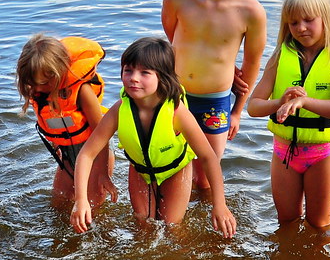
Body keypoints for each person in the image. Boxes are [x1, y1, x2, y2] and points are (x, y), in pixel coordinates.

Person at [71, 37, 237, 237]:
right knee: (143, 227)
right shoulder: (120, 110)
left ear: (162, 77)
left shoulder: (177, 112)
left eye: (145, 73)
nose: (133, 78)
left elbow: (208, 157)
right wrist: (81, 200)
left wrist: (220, 205)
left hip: (175, 170)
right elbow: (86, 154)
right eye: (128, 70)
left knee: (172, 229)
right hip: (141, 171)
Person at [161, 0, 267, 189]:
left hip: (216, 101)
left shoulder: (251, 12)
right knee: (169, 169)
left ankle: (209, 227)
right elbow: (173, 39)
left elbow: (251, 66)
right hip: (177, 95)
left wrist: (237, 112)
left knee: (207, 179)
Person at [247, 0, 330, 229]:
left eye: (308, 20)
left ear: (325, 18)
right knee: (286, 221)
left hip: (321, 154)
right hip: (284, 153)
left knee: (319, 224)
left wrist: (304, 101)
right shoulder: (279, 57)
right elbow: (254, 107)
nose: (301, 28)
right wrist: (279, 101)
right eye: (294, 23)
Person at [16, 34, 118, 205]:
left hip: (96, 155)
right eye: (34, 83)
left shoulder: (81, 92)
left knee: (91, 208)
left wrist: (103, 173)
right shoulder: (40, 92)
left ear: (59, 72)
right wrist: (56, 146)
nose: (39, 89)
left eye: (45, 82)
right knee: (59, 202)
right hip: (68, 156)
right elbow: (54, 124)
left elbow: (102, 134)